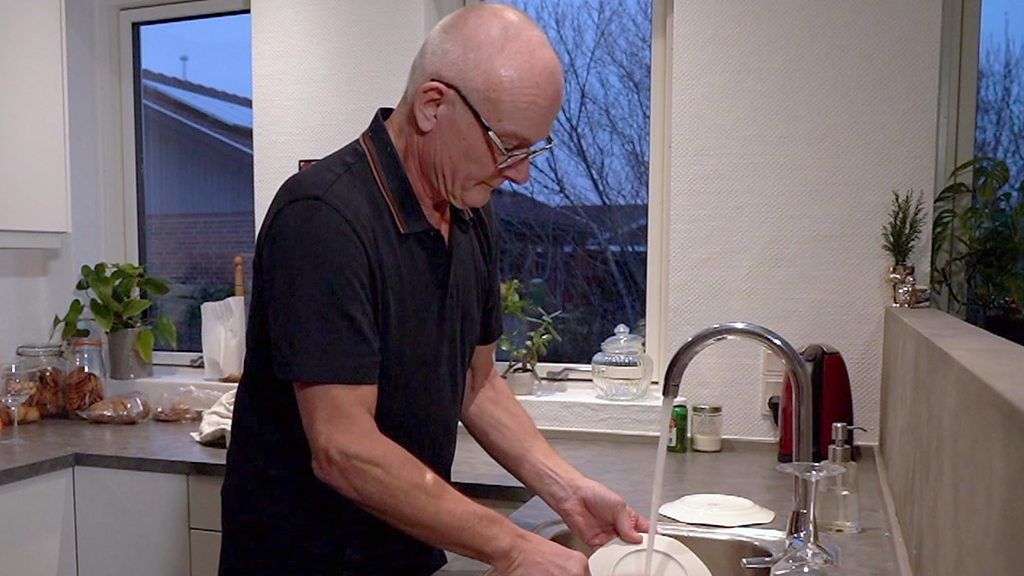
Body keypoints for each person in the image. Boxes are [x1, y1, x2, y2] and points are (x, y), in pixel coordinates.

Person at [219, 4, 648, 575]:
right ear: (433, 105)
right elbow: (343, 450)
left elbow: (477, 381)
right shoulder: (323, 217)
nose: (520, 173)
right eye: (508, 146)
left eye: (532, 150)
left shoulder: (469, 211)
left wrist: (567, 490)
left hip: (403, 552)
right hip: (304, 559)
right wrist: (513, 545)